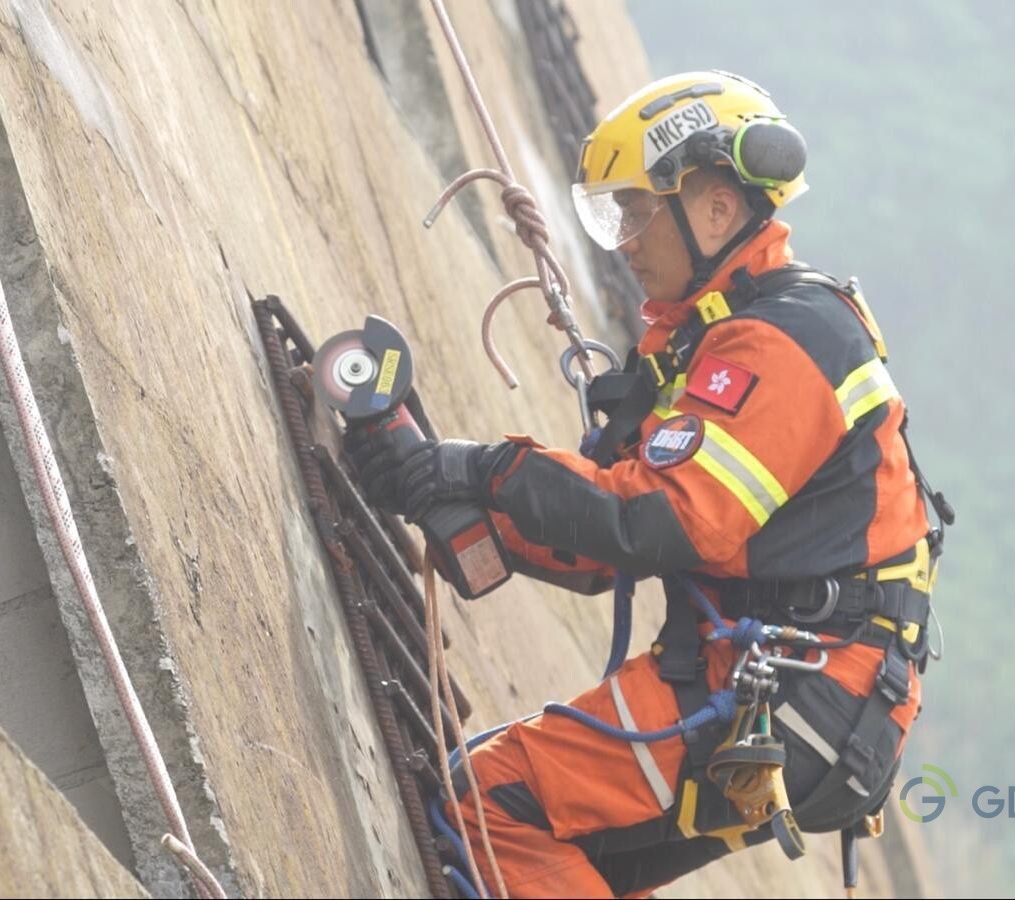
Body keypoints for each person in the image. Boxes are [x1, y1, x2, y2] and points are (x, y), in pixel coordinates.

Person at [348, 71, 951, 898]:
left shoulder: (781, 343)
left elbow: (664, 523)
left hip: (792, 687)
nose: (625, 241)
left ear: (712, 209)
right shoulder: (713, 342)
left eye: (636, 212)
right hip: (791, 689)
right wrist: (440, 492)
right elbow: (603, 549)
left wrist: (477, 467)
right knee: (559, 854)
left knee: (485, 801)